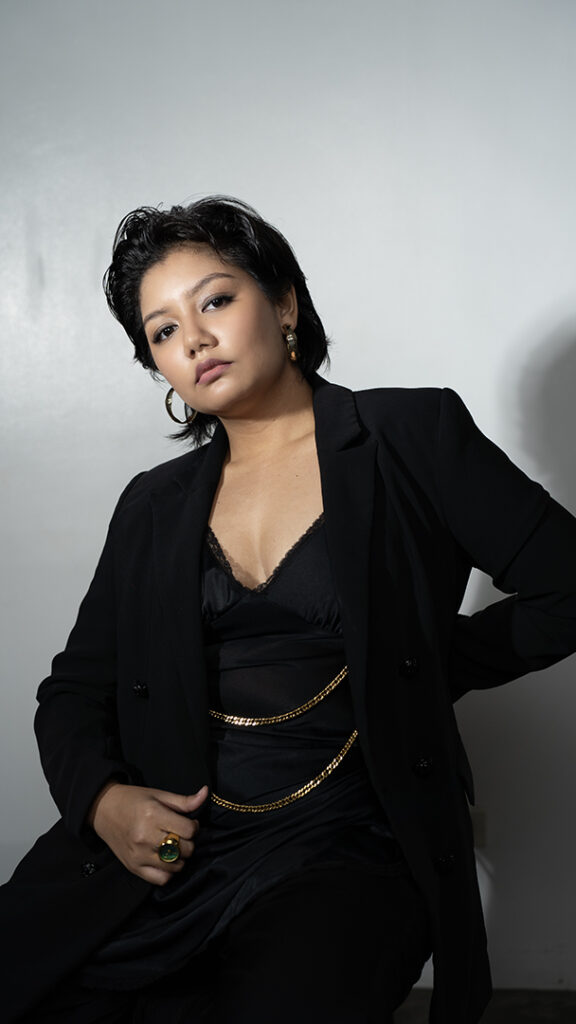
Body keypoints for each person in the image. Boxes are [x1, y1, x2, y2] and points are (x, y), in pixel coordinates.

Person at [2, 196, 576, 1024]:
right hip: (179, 843)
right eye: (162, 331)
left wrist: (416, 665)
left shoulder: (409, 434)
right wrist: (101, 801)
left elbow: (566, 586)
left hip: (352, 844)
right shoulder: (153, 505)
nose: (193, 340)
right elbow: (74, 690)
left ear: (283, 303)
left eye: (215, 300)